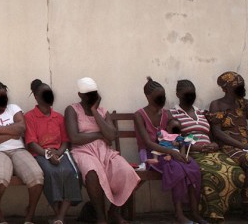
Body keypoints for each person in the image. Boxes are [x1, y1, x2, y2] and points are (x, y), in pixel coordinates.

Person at [65, 77, 139, 224]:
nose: (91, 96)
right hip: (83, 151)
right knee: (92, 173)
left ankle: (114, 211)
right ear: (80, 94)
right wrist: (99, 135)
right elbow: (74, 138)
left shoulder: (102, 111)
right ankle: (101, 218)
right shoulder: (72, 110)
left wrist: (94, 111)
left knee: (127, 172)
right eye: (87, 94)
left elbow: (111, 135)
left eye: (93, 93)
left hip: (105, 151)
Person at [171, 78, 245, 221]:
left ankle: (221, 209)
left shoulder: (202, 113)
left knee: (237, 173)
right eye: (186, 94)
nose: (190, 97)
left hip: (212, 152)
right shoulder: (173, 114)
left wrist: (215, 145)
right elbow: (175, 140)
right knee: (209, 175)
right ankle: (211, 214)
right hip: (192, 153)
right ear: (178, 94)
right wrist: (194, 146)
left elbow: (213, 136)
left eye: (192, 94)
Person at [133, 77, 205, 224]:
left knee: (192, 167)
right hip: (151, 153)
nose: (162, 99)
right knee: (176, 168)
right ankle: (179, 215)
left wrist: (183, 153)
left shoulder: (167, 114)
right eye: (158, 97)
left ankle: (195, 212)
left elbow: (179, 137)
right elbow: (148, 142)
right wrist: (172, 153)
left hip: (172, 151)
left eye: (163, 96)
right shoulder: (139, 115)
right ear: (148, 97)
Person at [0, 80, 43, 224]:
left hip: (18, 150)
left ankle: (29, 215)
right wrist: (11, 133)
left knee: (37, 176)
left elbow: (21, 128)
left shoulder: (13, 108)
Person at [24, 79, 81, 224]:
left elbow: (65, 141)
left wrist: (58, 153)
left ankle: (60, 217)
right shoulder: (30, 117)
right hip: (41, 154)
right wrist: (48, 155)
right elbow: (31, 143)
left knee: (71, 172)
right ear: (36, 97)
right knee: (50, 173)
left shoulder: (59, 117)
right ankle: (57, 214)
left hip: (60, 153)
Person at [208, 71, 248, 214]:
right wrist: (242, 146)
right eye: (238, 86)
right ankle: (246, 205)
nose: (242, 88)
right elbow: (217, 132)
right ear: (227, 88)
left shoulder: (244, 104)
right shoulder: (216, 105)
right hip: (230, 146)